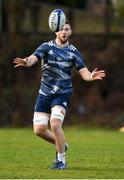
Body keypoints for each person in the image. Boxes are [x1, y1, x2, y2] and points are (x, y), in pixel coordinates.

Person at [13, 21, 106, 170]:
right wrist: (26, 61)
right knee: (39, 130)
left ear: (70, 32)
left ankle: (61, 161)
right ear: (55, 31)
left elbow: (85, 73)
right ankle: (63, 145)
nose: (64, 32)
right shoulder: (46, 47)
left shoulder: (74, 52)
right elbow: (32, 59)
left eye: (67, 29)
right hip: (44, 93)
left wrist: (91, 76)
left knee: (55, 124)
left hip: (62, 93)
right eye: (61, 29)